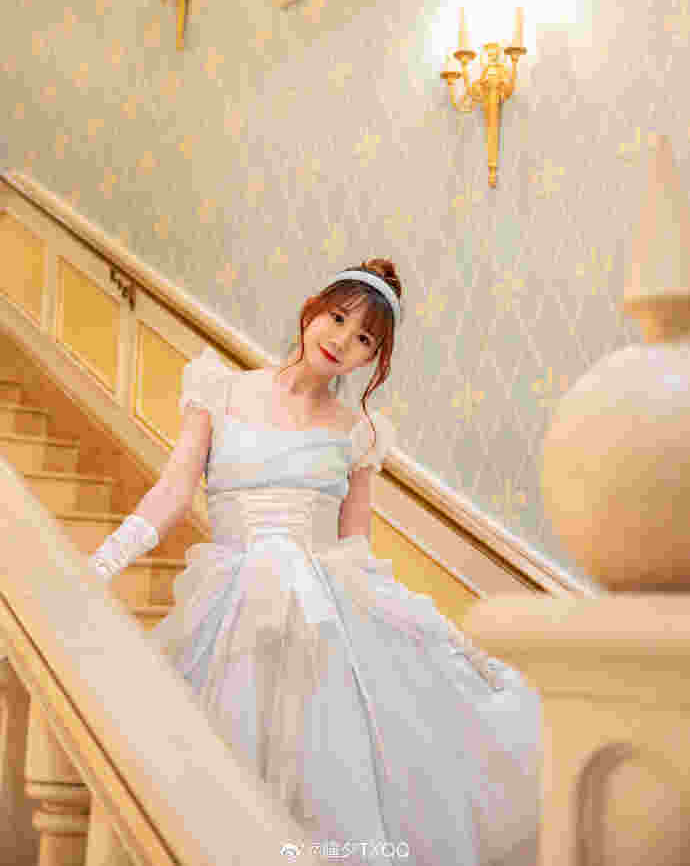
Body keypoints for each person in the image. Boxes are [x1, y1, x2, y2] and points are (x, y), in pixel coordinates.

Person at [89, 259, 540, 865]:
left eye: (365, 339)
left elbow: (355, 546)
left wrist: (430, 630)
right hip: (234, 608)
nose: (342, 340)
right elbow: (173, 492)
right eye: (338, 318)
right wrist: (103, 563)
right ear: (312, 310)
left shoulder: (360, 433)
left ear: (372, 359)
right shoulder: (220, 390)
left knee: (324, 781)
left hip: (320, 621)